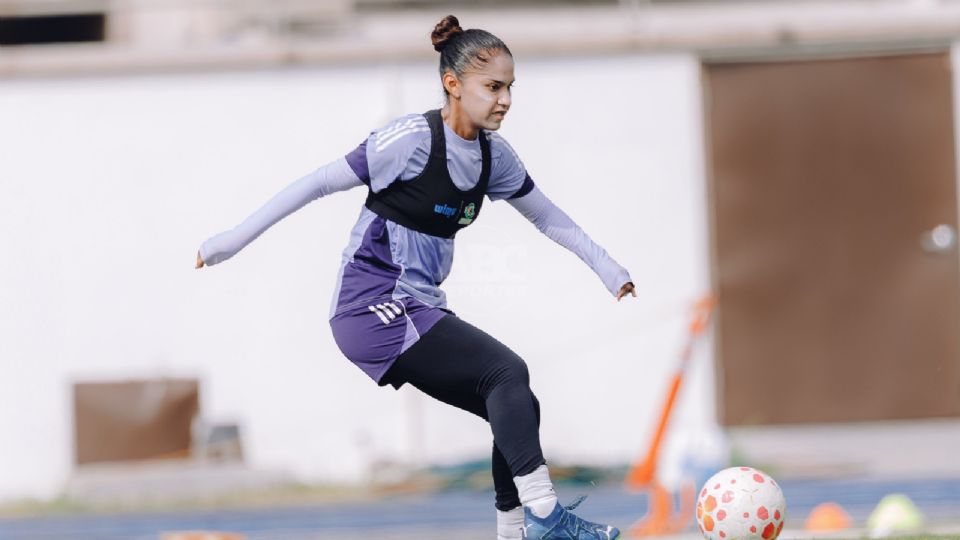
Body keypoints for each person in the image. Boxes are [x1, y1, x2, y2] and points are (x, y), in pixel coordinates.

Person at [196, 14, 635, 540]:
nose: (505, 100)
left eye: (510, 88)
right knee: (506, 373)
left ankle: (514, 530)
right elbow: (318, 182)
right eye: (493, 87)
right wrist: (232, 240)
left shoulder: (495, 158)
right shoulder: (408, 141)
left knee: (515, 403)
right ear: (453, 84)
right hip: (370, 306)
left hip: (418, 304)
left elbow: (547, 217)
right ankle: (547, 517)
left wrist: (608, 268)